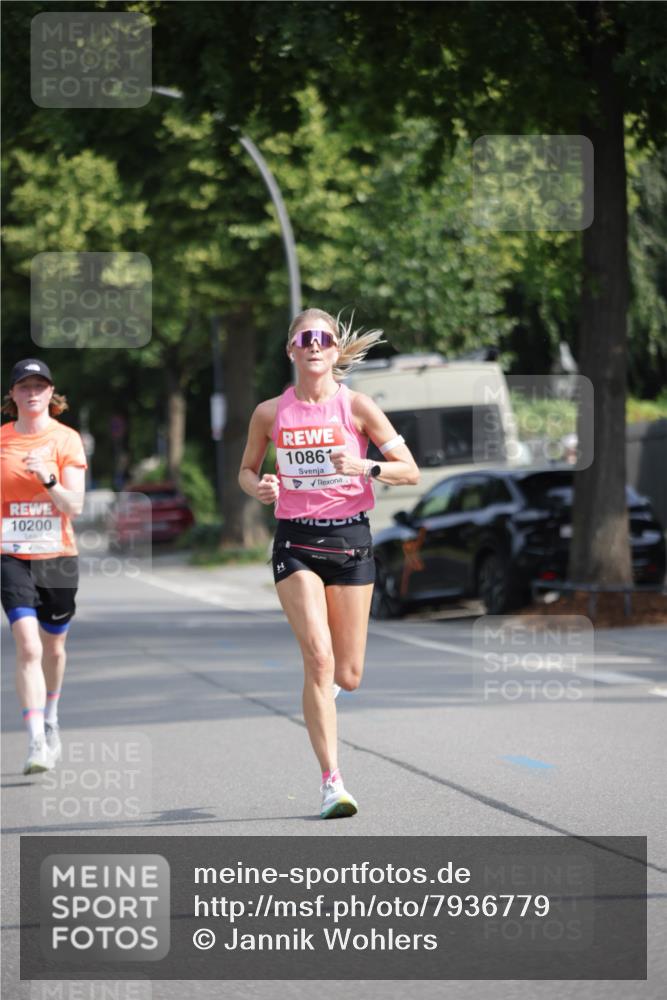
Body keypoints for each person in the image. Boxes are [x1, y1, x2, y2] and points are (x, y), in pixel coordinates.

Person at [239, 309, 419, 818]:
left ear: (335, 350)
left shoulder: (358, 407)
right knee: (318, 660)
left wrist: (365, 465)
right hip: (295, 544)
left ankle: (325, 694)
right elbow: (247, 472)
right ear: (291, 350)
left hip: (352, 545)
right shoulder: (270, 413)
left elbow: (410, 471)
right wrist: (262, 488)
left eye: (324, 338)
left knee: (350, 673)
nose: (315, 345)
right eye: (305, 338)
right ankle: (332, 783)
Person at [1, 360, 87, 774]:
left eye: (40, 386)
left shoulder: (66, 440)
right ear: (12, 395)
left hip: (58, 556)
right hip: (11, 554)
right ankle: (36, 739)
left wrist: (50, 480)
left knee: (53, 646)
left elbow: (77, 505)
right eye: (24, 386)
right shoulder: (1, 441)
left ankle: (51, 717)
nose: (32, 393)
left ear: (51, 393)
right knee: (28, 646)